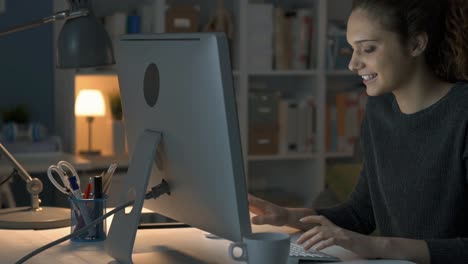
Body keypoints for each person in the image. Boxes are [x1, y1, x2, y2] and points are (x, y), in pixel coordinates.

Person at [248, 0, 468, 263]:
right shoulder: (380, 109)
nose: (353, 64)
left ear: (415, 44)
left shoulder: (462, 113)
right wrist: (288, 216)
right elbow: (360, 213)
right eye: (352, 49)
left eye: (368, 49)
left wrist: (379, 247)